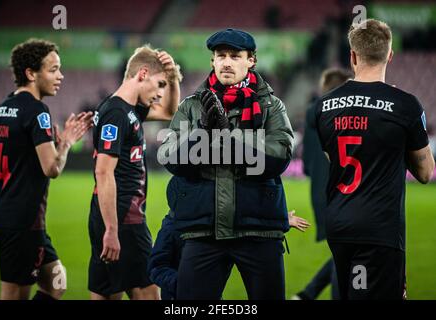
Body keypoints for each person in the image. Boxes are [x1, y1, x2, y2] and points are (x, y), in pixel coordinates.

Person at [159, 28, 295, 300]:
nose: (227, 62)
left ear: (251, 61)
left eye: (235, 56)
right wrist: (203, 133)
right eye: (221, 56)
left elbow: (279, 156)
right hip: (202, 231)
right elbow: (169, 157)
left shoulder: (271, 106)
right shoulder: (191, 106)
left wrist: (227, 137)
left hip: (259, 231)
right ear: (212, 61)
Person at [315, 19, 435, 300]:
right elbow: (426, 172)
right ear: (390, 56)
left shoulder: (324, 105)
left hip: (339, 224)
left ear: (353, 56)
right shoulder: (405, 105)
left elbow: (332, 156)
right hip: (378, 229)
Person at [0, 38, 93, 300]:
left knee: (56, 281)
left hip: (4, 208)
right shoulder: (37, 111)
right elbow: (52, 168)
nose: (61, 76)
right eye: (53, 69)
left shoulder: (5, 106)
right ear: (31, 73)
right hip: (23, 219)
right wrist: (67, 143)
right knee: (13, 294)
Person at [88, 45, 182, 300]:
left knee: (106, 293)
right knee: (150, 295)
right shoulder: (117, 113)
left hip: (111, 216)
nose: (161, 93)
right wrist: (112, 229)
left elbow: (169, 112)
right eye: (160, 84)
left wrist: (172, 78)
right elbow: (104, 173)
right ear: (142, 74)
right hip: (124, 220)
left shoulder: (128, 110)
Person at [148, 210, 309, 300]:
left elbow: (249, 228)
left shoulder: (220, 228)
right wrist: (185, 284)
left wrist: (278, 221)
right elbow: (156, 267)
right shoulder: (172, 225)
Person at [293, 68, 352, 300]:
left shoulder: (311, 115)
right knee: (346, 254)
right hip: (345, 192)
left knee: (342, 251)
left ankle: (307, 294)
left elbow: (307, 164)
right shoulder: (348, 114)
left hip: (319, 194)